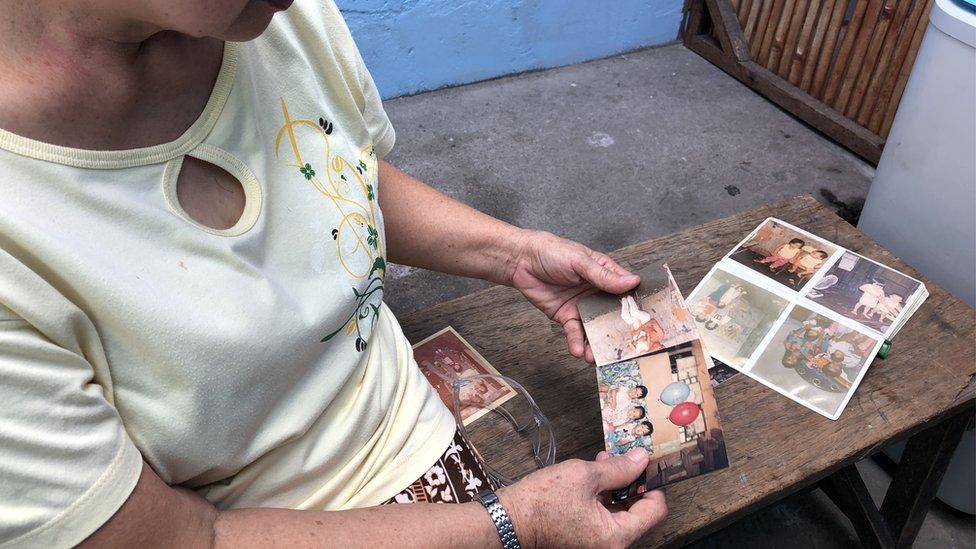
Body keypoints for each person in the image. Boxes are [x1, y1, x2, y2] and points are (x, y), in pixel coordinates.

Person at [0, 1, 667, 547]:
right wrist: (515, 522)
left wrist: (513, 254)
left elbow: (335, 171)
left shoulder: (272, 18)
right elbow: (174, 539)